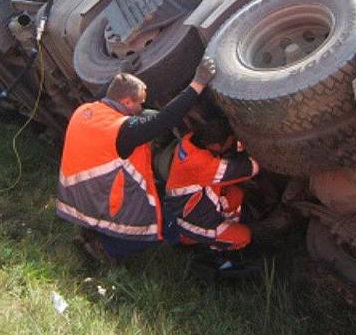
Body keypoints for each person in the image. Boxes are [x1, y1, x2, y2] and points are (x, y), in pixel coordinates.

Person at [55, 56, 217, 263]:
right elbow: (164, 119)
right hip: (99, 199)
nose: (141, 107)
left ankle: (91, 232)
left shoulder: (86, 110)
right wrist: (198, 83)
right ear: (125, 102)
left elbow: (108, 92)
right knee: (160, 227)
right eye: (139, 103)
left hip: (75, 198)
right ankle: (105, 248)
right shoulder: (122, 131)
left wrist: (122, 74)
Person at [163, 117, 259, 251]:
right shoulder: (204, 165)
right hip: (189, 222)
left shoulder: (189, 141)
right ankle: (209, 245)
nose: (232, 144)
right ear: (216, 146)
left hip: (190, 205)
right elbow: (251, 168)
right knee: (244, 236)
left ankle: (225, 228)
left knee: (235, 194)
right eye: (230, 142)